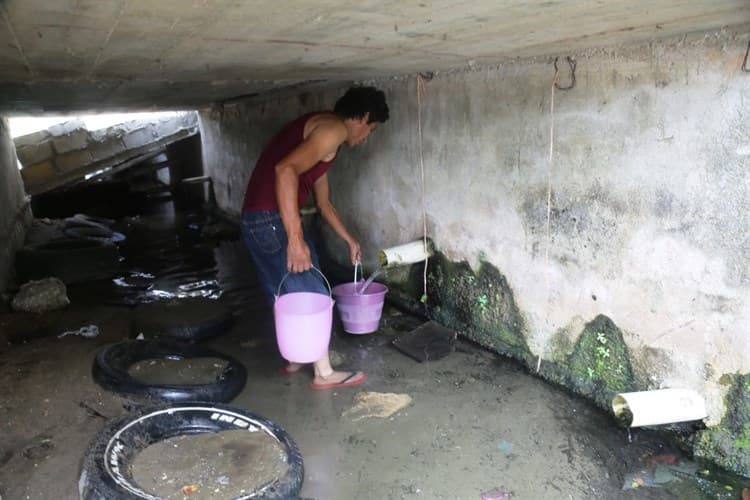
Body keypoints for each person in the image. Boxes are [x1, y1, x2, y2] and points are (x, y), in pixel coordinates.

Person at [241, 86, 389, 390]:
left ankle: (297, 356)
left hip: (257, 219)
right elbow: (285, 171)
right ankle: (323, 373)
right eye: (370, 128)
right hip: (272, 220)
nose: (366, 138)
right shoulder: (332, 130)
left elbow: (324, 203)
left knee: (283, 292)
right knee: (312, 290)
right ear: (361, 117)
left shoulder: (322, 138)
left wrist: (349, 239)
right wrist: (295, 240)